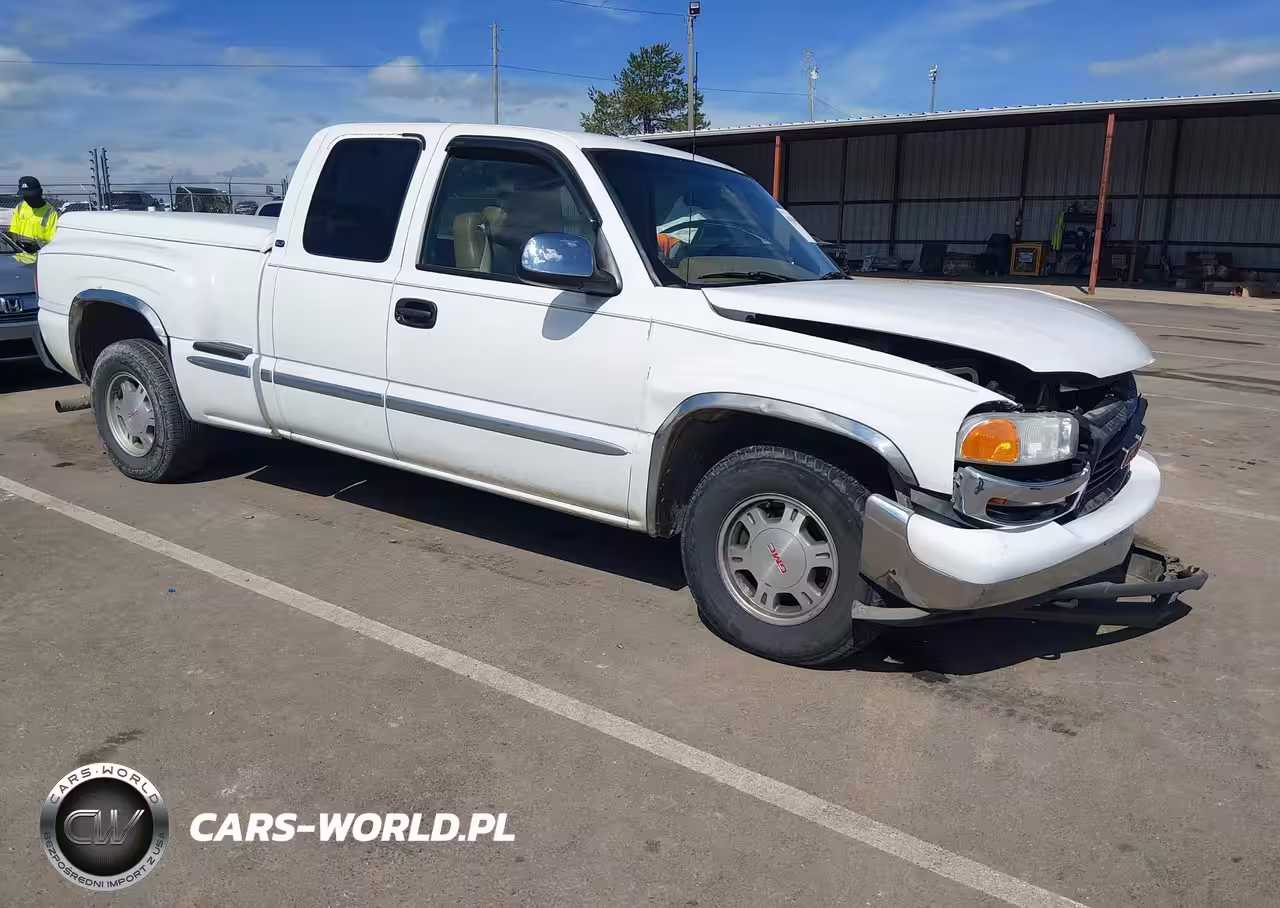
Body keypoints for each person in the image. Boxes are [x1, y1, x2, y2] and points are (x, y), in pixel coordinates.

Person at [7, 176, 60, 261]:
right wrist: (19, 247)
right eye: (25, 196)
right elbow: (14, 231)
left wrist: (36, 248)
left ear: (40, 192)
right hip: (21, 259)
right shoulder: (20, 207)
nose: (28, 199)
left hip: (40, 260)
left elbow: (54, 242)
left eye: (31, 196)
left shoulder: (51, 213)